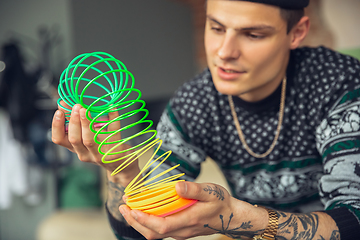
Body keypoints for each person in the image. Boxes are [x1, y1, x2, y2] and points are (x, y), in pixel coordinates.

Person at [52, 0, 360, 239]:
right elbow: (136, 234)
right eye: (216, 28)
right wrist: (121, 171)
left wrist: (238, 218)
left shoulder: (339, 85)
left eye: (252, 34)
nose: (224, 52)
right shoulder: (196, 102)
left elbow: (354, 222)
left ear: (297, 33)